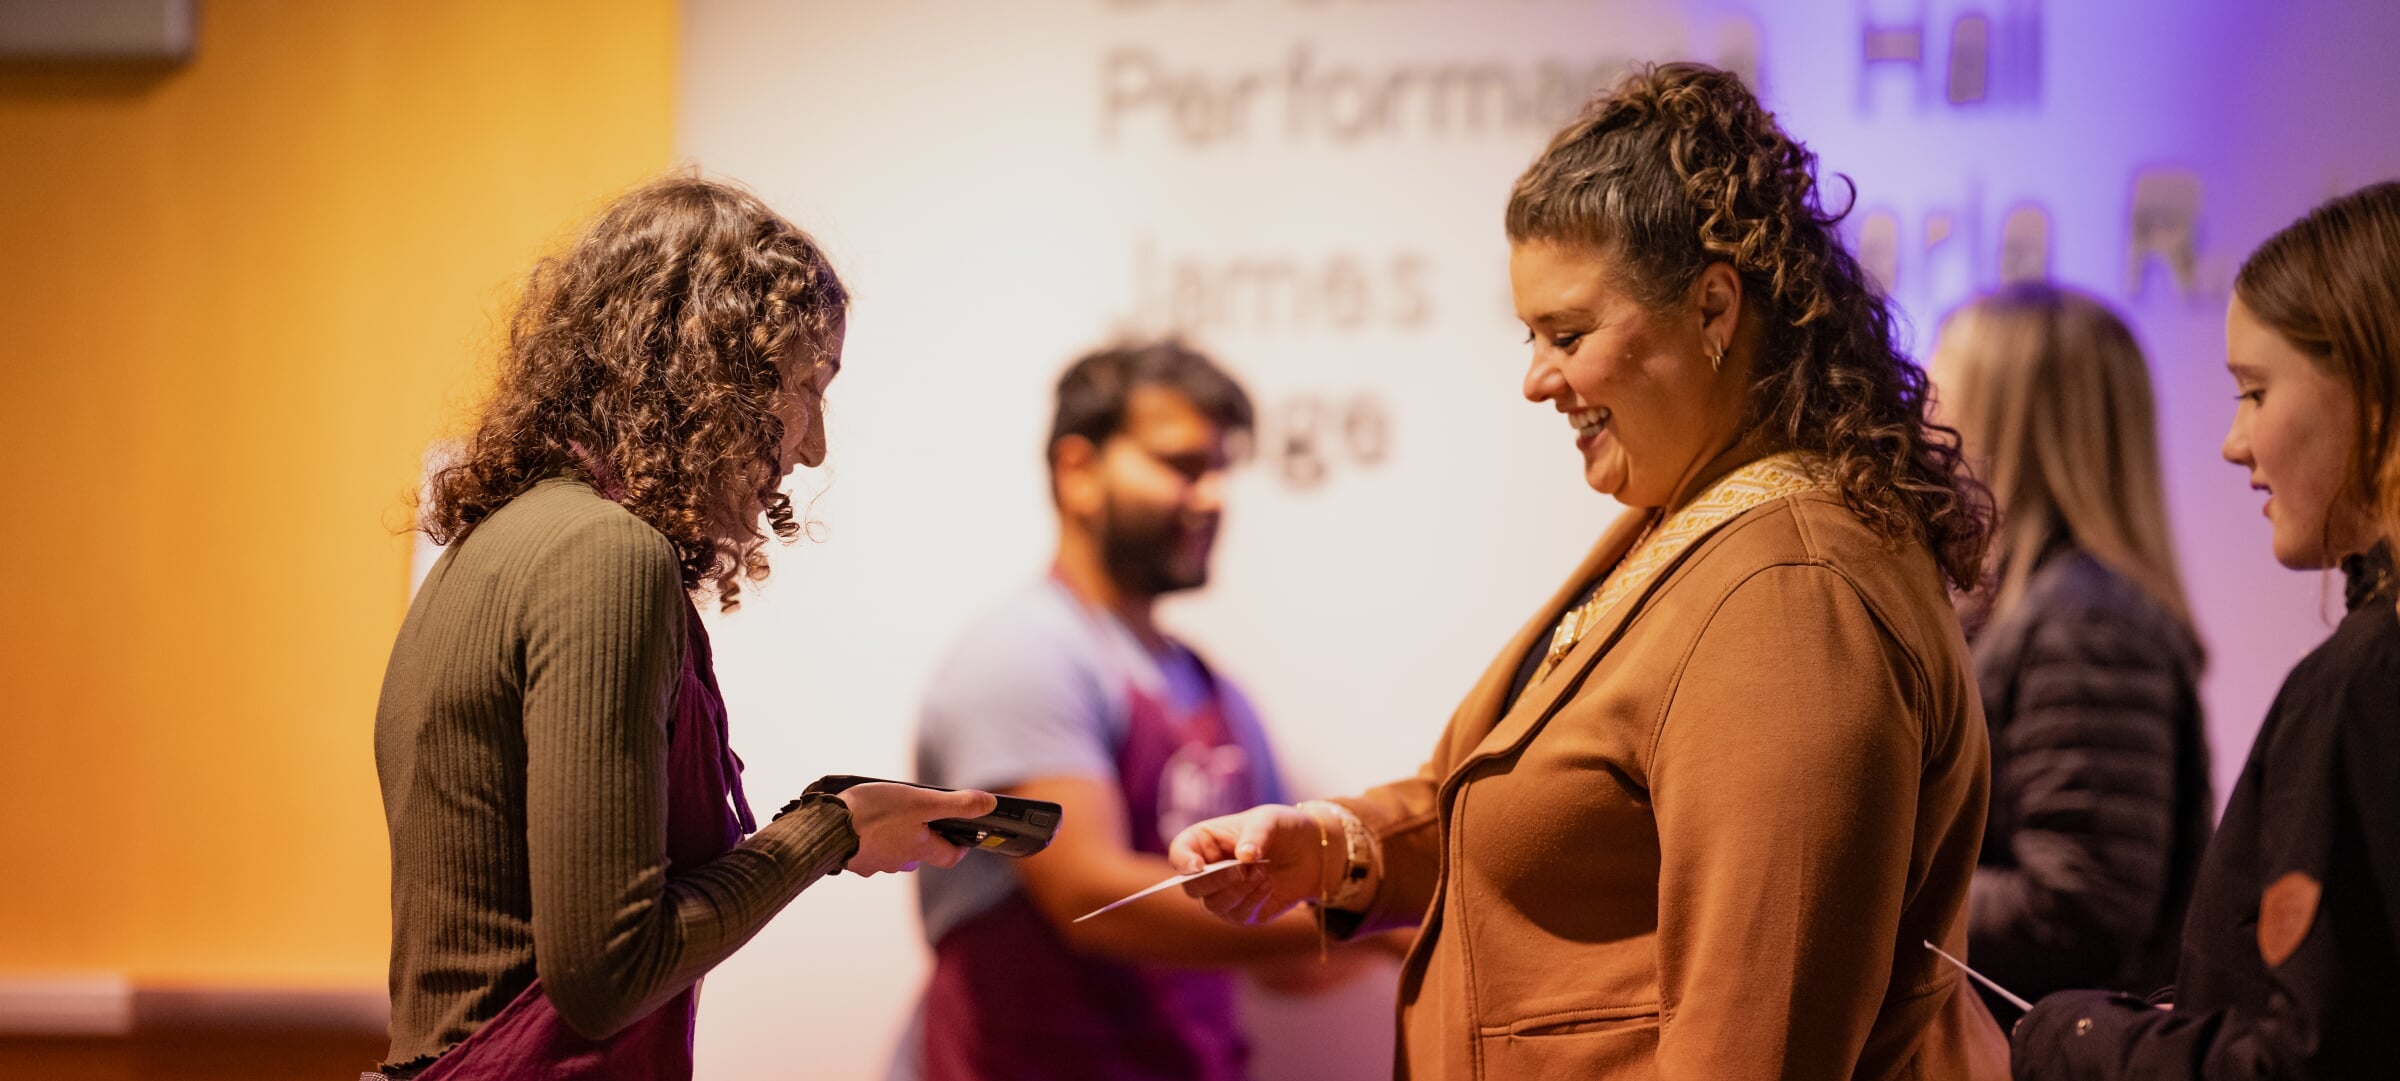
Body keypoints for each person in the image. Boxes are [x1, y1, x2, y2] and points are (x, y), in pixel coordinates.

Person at [1171, 62, 2008, 1080]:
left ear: (1712, 308)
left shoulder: (1792, 599)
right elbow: (1542, 819)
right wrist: (1343, 848)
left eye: (1567, 334)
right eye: (1531, 335)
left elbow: (1761, 1037)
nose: (1534, 379)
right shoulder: (1696, 523)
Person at [372, 175, 995, 1080]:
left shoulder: (496, 544)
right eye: (807, 384)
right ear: (713, 370)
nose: (812, 444)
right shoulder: (604, 555)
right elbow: (609, 971)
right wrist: (833, 829)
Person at [2009, 182, 2400, 1078]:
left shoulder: (2360, 681)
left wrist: (2075, 1038)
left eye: (2256, 393)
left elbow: (2310, 1054)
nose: (2234, 442)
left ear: (2372, 392)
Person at [902, 340, 1373, 1081]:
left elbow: (1289, 963)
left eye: (1221, 469)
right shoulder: (1023, 653)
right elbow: (1089, 896)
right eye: (1182, 465)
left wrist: (1408, 915)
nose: (1213, 495)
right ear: (1077, 471)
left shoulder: (1216, 692)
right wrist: (1363, 912)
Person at [1926, 285, 2213, 1020]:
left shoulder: (2087, 624)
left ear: (2013, 422)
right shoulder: (2036, 609)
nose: (1922, 430)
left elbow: (2077, 907)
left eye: (1939, 399)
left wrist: (1880, 889)